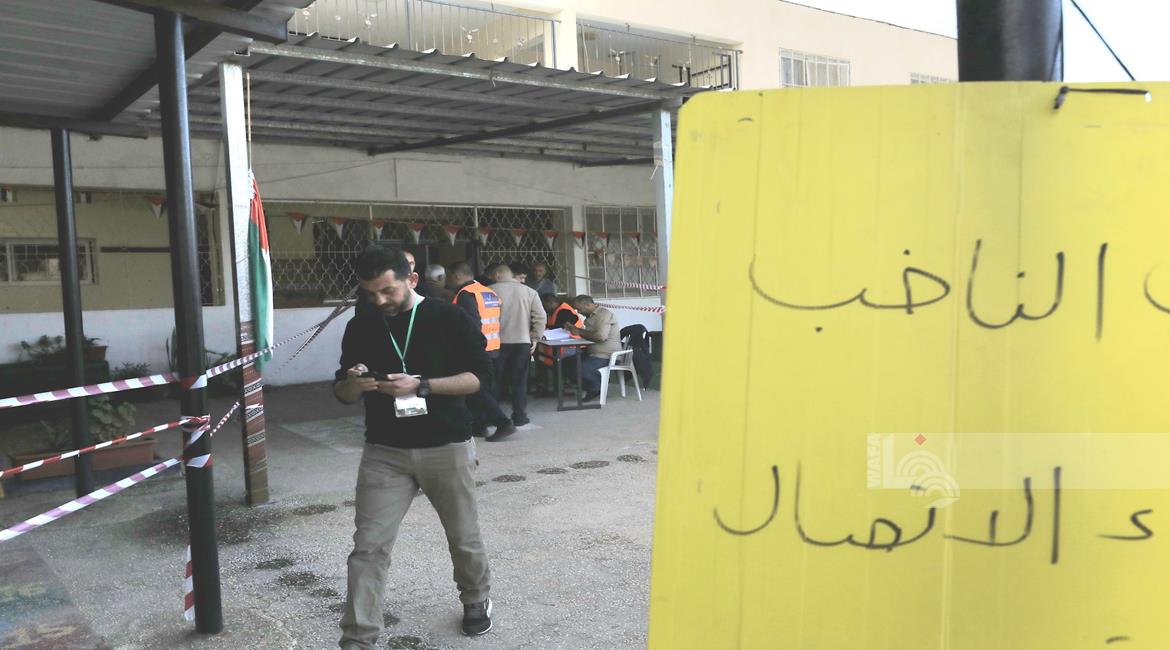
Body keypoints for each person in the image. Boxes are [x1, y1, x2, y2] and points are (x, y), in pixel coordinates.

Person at [333, 247, 496, 647]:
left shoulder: (448, 316)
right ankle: (358, 638)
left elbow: (481, 379)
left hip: (446, 444)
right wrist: (353, 384)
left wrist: (422, 385)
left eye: (387, 290)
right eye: (370, 293)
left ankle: (475, 598)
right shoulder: (361, 325)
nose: (379, 300)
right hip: (384, 451)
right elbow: (342, 393)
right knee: (368, 547)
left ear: (411, 279)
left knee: (462, 535)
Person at [449, 262, 516, 442]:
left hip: (477, 348)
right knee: (486, 388)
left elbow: (471, 324)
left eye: (450, 277)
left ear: (456, 276)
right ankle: (480, 426)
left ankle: (503, 422)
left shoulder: (466, 294)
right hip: (493, 346)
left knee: (477, 389)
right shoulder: (487, 292)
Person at [487, 263, 545, 426]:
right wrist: (535, 338)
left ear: (497, 275)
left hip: (495, 343)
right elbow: (540, 317)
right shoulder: (529, 292)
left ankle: (492, 417)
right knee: (519, 381)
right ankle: (519, 416)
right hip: (521, 342)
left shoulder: (488, 291)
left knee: (495, 381)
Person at [566, 295, 623, 401]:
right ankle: (591, 385)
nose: (578, 312)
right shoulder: (590, 317)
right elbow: (589, 334)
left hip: (607, 355)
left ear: (588, 305)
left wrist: (579, 331)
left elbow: (601, 337)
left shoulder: (604, 314)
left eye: (580, 309)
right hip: (593, 353)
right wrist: (573, 329)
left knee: (580, 369)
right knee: (567, 364)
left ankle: (596, 388)